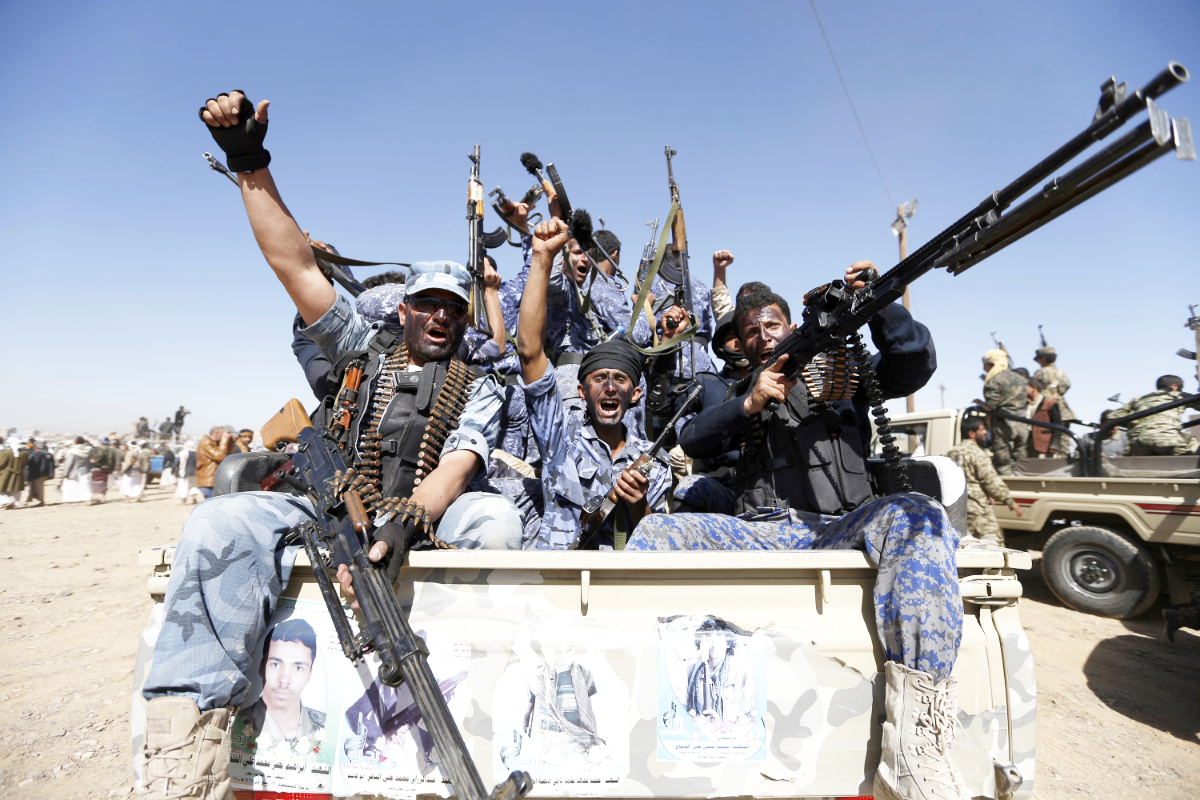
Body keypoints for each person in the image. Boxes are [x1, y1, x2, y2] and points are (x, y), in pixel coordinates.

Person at [139, 89, 528, 800]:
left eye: (454, 309)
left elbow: (461, 459)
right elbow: (293, 264)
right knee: (218, 520)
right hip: (329, 506)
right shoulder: (358, 343)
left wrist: (408, 518)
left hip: (423, 516)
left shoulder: (480, 381)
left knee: (500, 523)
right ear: (405, 308)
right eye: (429, 305)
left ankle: (484, 703)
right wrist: (250, 164)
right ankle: (181, 756)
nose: (441, 318)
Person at [630, 268, 970, 800]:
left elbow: (913, 361)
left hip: (841, 529)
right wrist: (749, 403)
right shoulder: (733, 388)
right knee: (657, 532)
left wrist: (879, 304)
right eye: (749, 331)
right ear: (738, 344)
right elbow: (693, 439)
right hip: (764, 532)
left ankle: (919, 743)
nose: (762, 334)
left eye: (772, 324)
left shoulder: (845, 371)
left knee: (917, 512)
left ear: (790, 325)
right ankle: (641, 697)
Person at [517, 218, 671, 549]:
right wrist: (543, 259)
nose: (611, 387)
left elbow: (657, 544)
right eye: (599, 379)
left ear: (636, 394)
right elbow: (530, 353)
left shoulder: (654, 460)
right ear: (581, 391)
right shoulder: (560, 440)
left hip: (623, 586)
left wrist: (637, 504)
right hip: (556, 583)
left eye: (621, 379)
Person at [236, 619, 327, 750]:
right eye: (276, 664)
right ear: (261, 667)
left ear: (309, 674)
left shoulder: (324, 727)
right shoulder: (235, 723)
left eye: (298, 668)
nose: (284, 679)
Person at [946, 417, 1022, 546]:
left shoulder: (952, 453)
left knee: (965, 545)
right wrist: (1010, 502)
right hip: (978, 508)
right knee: (994, 545)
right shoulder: (977, 453)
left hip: (958, 508)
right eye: (982, 429)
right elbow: (990, 480)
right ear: (972, 433)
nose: (986, 432)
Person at [1110, 375, 1200, 456]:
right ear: (1174, 386)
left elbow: (1114, 416)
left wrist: (1135, 424)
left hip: (1138, 442)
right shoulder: (1180, 396)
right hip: (1167, 440)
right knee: (1191, 450)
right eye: (1181, 387)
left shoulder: (1139, 399)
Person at [685, 619, 755, 723]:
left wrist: (720, 725)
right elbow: (682, 710)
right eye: (710, 639)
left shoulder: (742, 677)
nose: (714, 645)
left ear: (728, 643)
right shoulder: (690, 672)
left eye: (719, 638)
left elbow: (745, 719)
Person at [977, 348, 1029, 475]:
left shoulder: (995, 380)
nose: (984, 369)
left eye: (985, 365)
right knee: (1021, 460)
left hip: (1003, 425)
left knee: (1003, 461)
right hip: (1022, 424)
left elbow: (991, 406)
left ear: (992, 364)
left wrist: (979, 403)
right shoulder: (1021, 379)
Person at [1033, 345, 1076, 452]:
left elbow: (1035, 388)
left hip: (1047, 409)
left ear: (1043, 359)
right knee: (1064, 440)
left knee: (1046, 440)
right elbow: (1066, 386)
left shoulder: (1040, 372)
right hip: (1063, 410)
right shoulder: (1062, 373)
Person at [196, 426, 249, 500]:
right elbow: (220, 457)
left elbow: (226, 457)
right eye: (222, 434)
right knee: (213, 505)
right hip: (209, 481)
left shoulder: (214, 443)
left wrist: (231, 442)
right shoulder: (206, 442)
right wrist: (224, 439)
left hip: (214, 480)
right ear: (215, 434)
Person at [1024, 376, 1063, 457]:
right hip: (1028, 445)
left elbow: (1058, 426)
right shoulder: (1024, 404)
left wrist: (1054, 444)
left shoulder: (1050, 403)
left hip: (1044, 445)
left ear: (1034, 387)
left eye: (1025, 387)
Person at [60, 437, 94, 504]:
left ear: (76, 442)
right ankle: (88, 500)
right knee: (85, 486)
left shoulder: (73, 451)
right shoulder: (87, 450)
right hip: (84, 470)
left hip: (74, 471)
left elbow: (69, 463)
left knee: (69, 486)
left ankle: (67, 502)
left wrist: (65, 473)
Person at [89, 437, 120, 505]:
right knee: (104, 482)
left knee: (95, 481)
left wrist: (94, 462)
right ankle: (103, 497)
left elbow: (100, 456)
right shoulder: (112, 450)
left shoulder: (101, 448)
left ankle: (94, 496)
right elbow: (114, 459)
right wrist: (112, 469)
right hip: (108, 468)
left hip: (100, 467)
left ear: (102, 442)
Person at [0, 438, 29, 509]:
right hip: (19, 474)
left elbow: (1, 463)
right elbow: (26, 463)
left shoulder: (5, 452)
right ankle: (14, 503)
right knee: (16, 490)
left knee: (3, 489)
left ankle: (7, 501)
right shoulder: (25, 453)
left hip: (6, 474)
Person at [24, 440, 54, 507]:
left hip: (38, 474)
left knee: (38, 488)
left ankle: (42, 502)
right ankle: (28, 501)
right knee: (38, 488)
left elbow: (33, 463)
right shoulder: (48, 453)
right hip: (44, 474)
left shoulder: (37, 454)